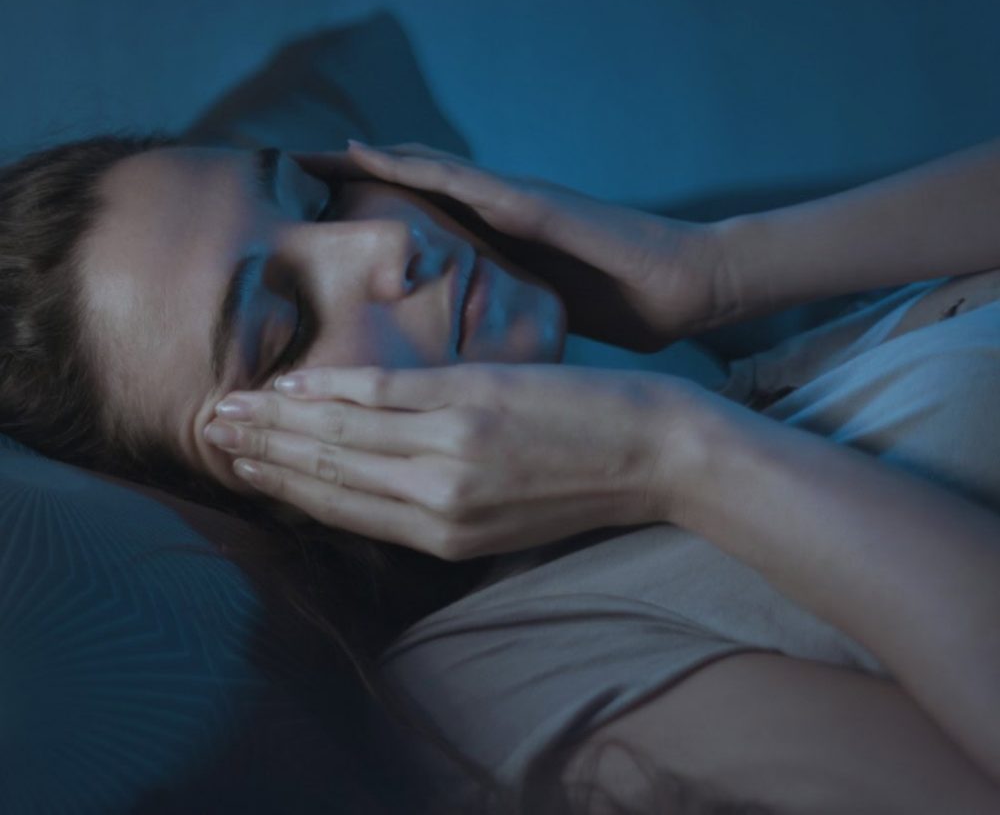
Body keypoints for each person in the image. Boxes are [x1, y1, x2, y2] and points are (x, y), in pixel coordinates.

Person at [2, 132, 1000, 812]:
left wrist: (723, 268)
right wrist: (683, 461)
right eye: (286, 326)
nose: (383, 241)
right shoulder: (495, 680)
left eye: (315, 194)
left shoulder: (737, 382)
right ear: (257, 498)